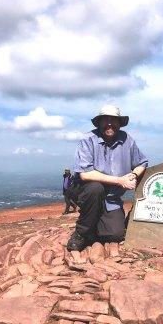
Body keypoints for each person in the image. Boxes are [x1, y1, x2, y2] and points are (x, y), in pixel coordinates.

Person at [66, 105, 148, 251]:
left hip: (111, 198)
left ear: (119, 123)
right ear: (99, 123)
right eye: (105, 120)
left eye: (114, 120)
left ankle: (94, 224)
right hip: (87, 191)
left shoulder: (127, 140)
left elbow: (142, 162)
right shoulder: (88, 140)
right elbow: (85, 174)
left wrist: (134, 174)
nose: (109, 124)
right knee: (95, 188)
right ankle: (81, 233)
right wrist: (120, 181)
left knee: (115, 234)